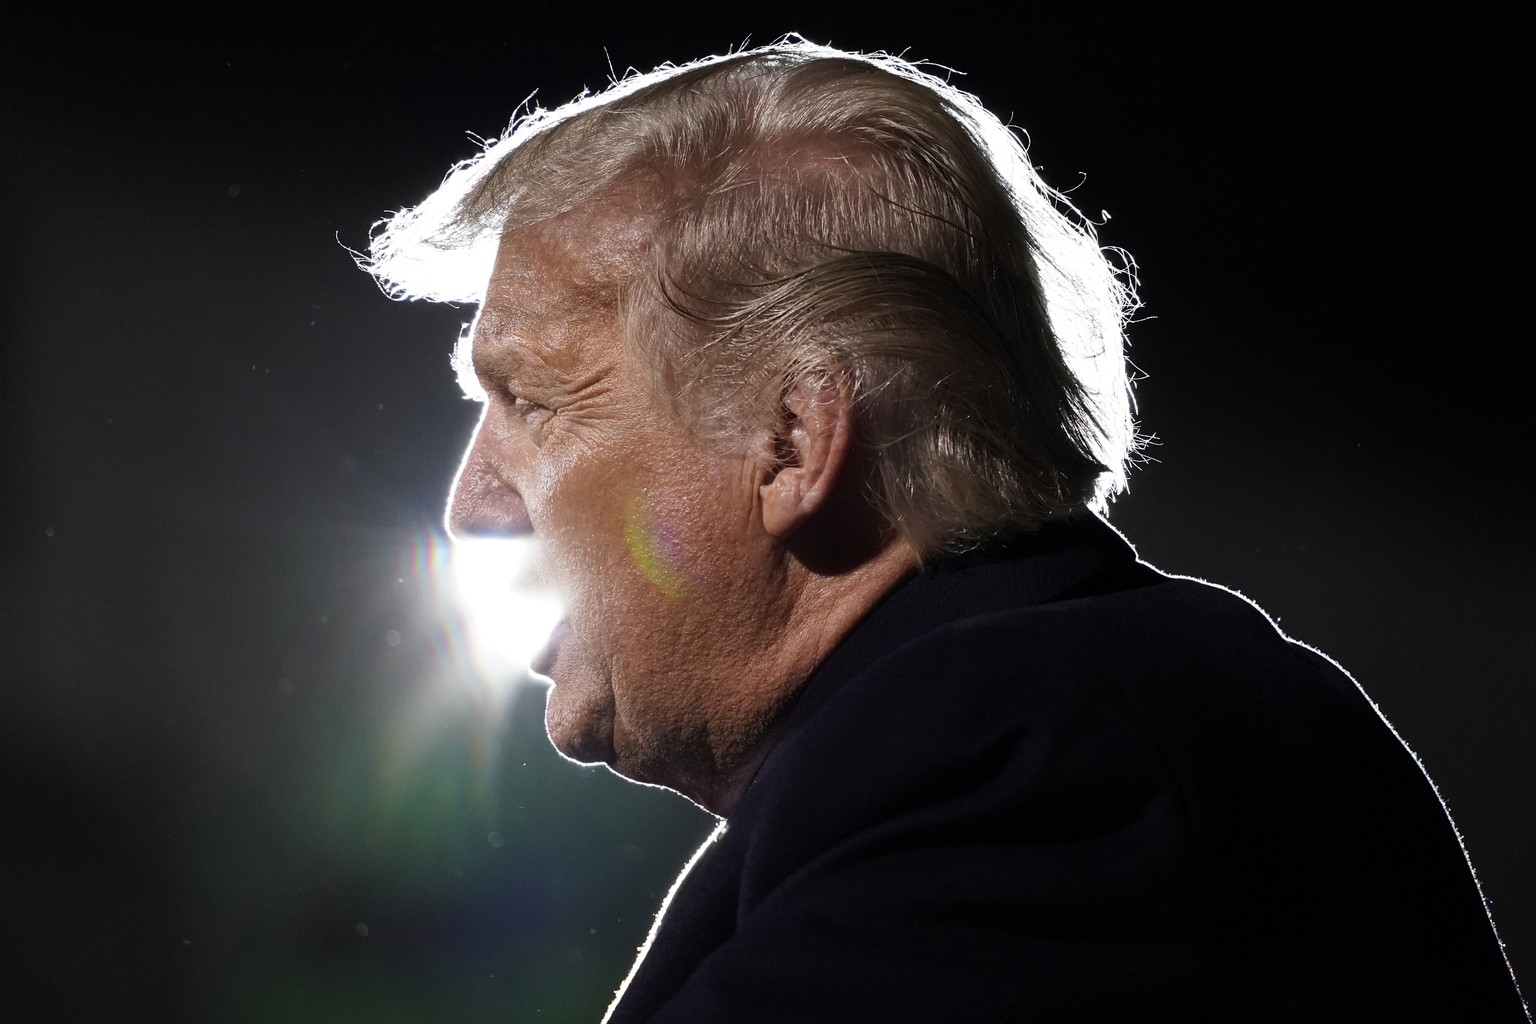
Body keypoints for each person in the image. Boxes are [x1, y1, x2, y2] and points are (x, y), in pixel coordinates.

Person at [364, 40, 1528, 1023]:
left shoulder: (1024, 749)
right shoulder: (1031, 729)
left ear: (790, 441)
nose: (474, 500)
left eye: (531, 398)